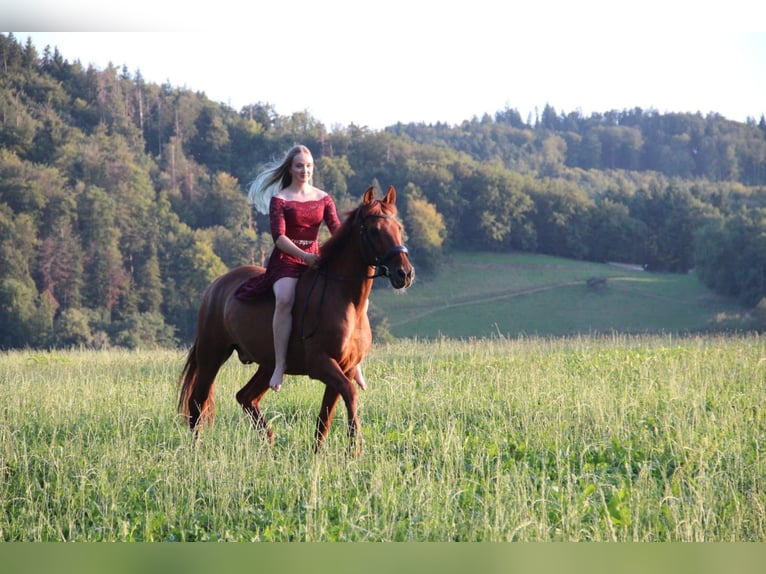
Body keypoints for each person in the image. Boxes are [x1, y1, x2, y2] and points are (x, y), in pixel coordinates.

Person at [235, 145, 366, 392]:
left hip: (315, 262)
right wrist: (304, 256)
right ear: (291, 168)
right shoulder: (281, 199)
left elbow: (336, 230)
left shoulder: (323, 198)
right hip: (287, 261)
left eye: (308, 166)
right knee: (285, 299)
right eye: (299, 165)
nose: (305, 170)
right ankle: (279, 365)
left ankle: (353, 359)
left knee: (355, 299)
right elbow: (280, 238)